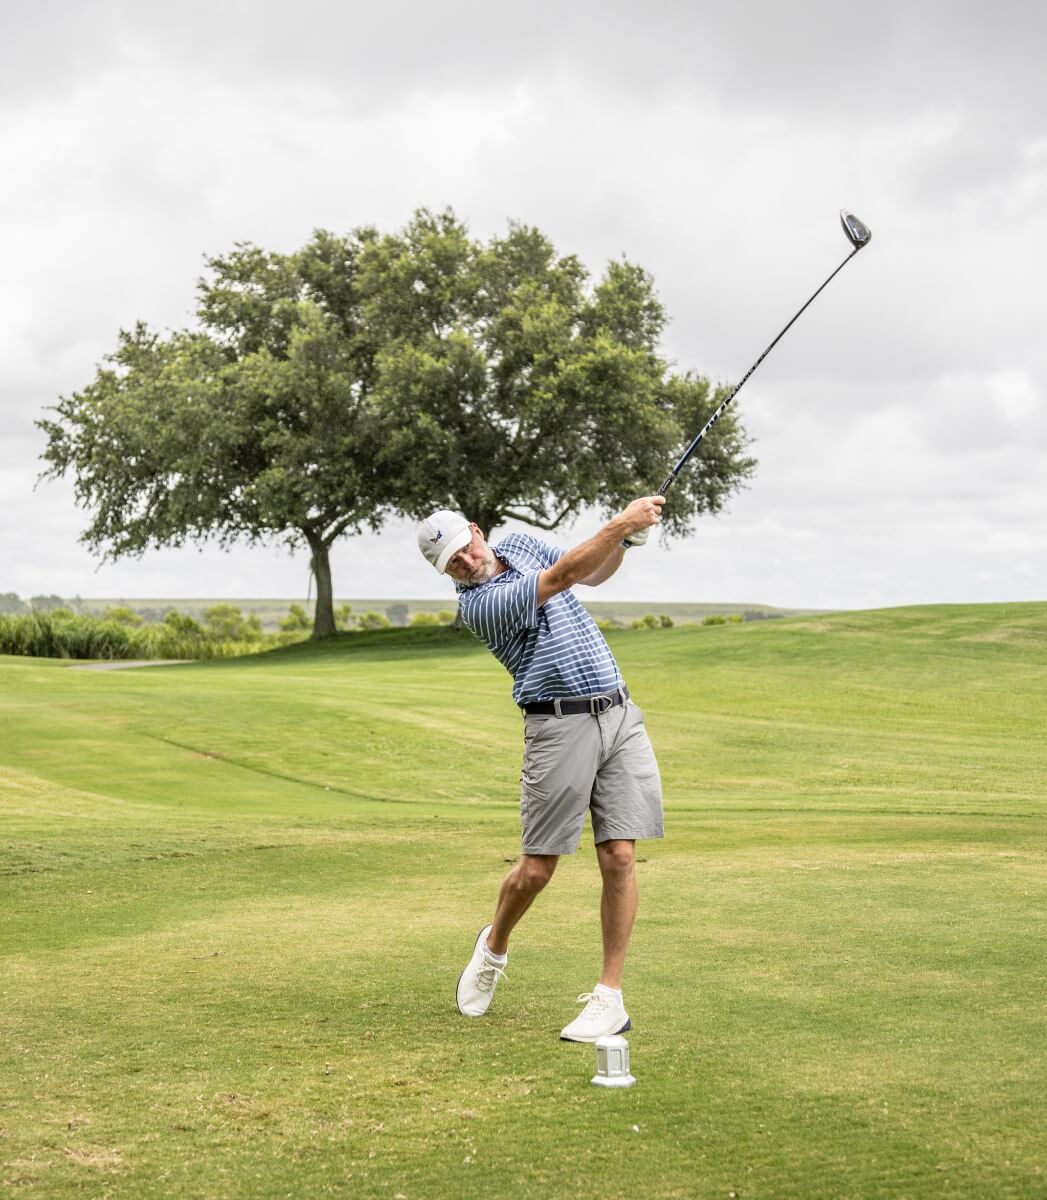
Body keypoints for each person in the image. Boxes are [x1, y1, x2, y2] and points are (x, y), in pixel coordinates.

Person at [416, 496, 666, 1042]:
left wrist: (626, 542)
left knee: (621, 856)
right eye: (452, 563)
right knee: (536, 870)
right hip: (557, 727)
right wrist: (619, 523)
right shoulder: (480, 606)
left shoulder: (521, 543)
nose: (466, 562)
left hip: (619, 712)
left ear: (477, 530)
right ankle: (493, 948)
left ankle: (609, 997)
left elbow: (591, 573)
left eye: (465, 548)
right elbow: (561, 577)